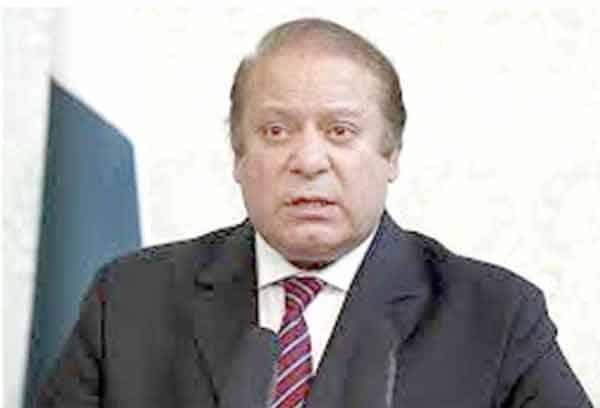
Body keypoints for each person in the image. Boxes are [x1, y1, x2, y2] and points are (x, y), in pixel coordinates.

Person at [36, 17, 592, 408]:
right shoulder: (130, 301)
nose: (307, 160)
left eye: (340, 131)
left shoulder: (494, 317)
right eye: (276, 131)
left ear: (391, 154)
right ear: (238, 155)